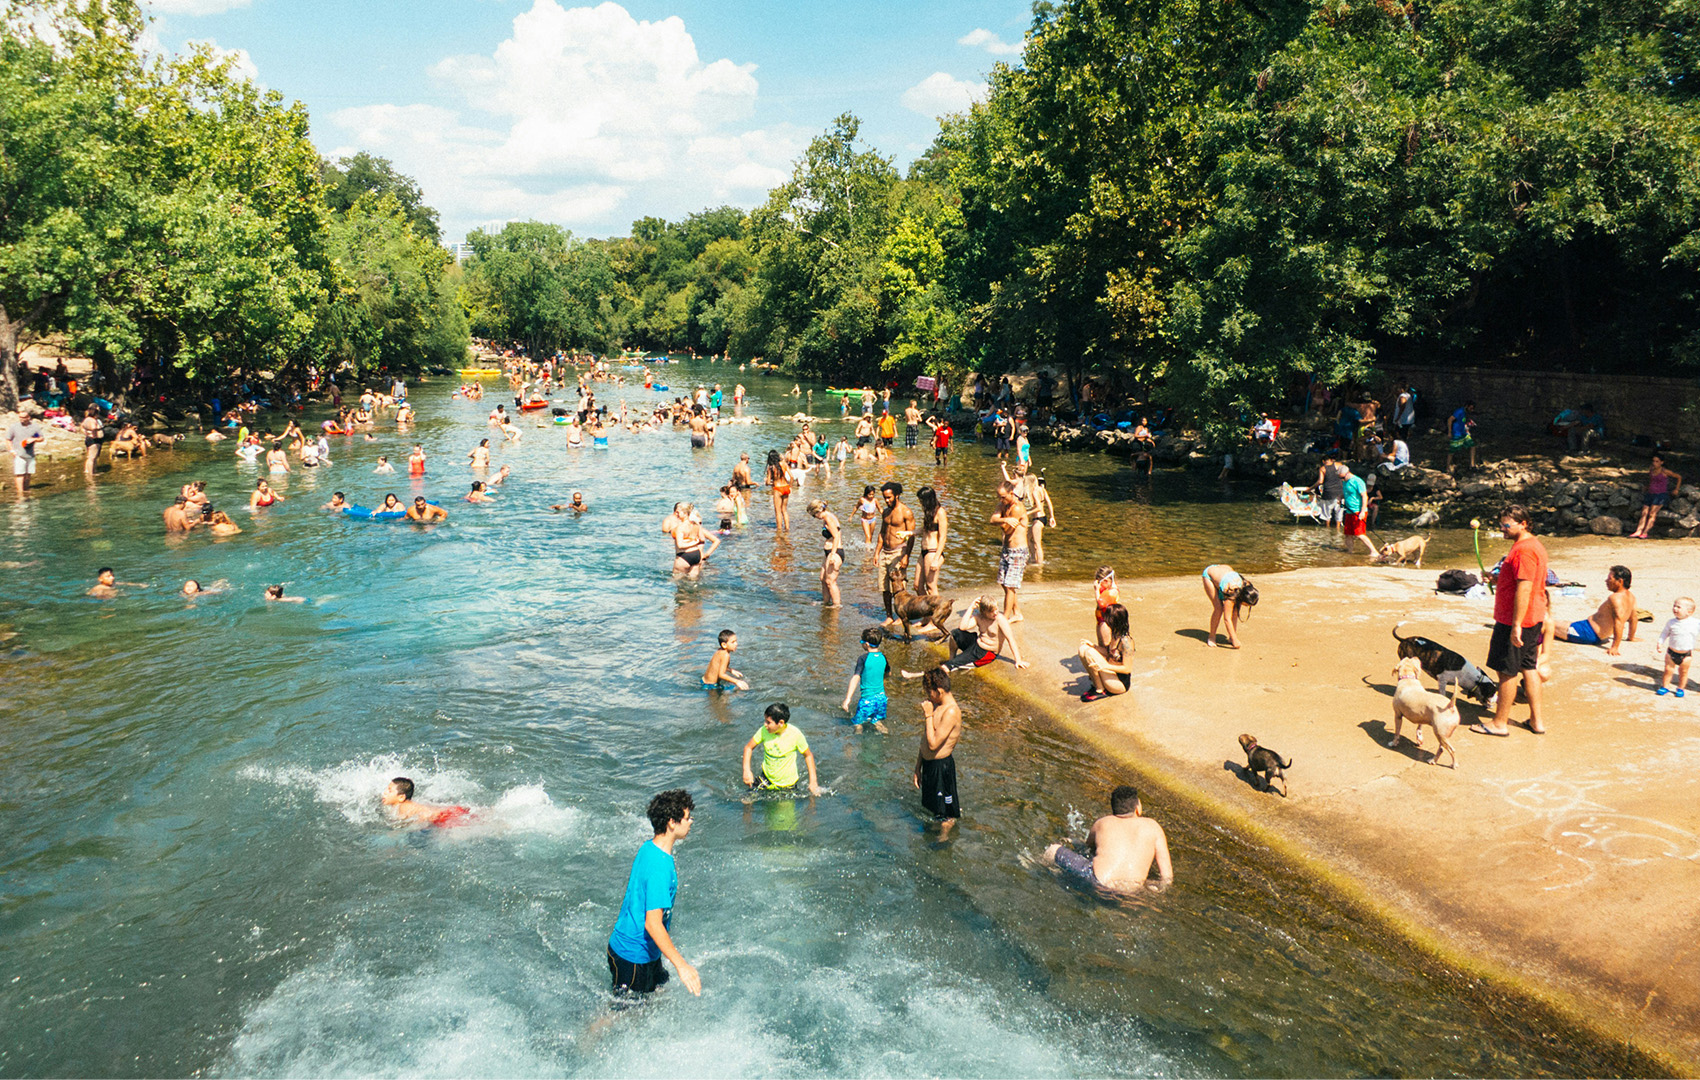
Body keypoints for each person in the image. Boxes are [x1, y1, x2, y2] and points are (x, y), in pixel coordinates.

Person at [607, 788, 701, 997]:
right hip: (633, 956)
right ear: (671, 822)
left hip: (640, 951)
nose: (691, 822)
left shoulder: (649, 848)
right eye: (687, 817)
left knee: (658, 994)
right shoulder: (660, 867)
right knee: (621, 1014)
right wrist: (682, 966)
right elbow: (652, 923)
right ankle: (589, 1031)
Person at [1473, 505, 1548, 736]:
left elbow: (1524, 589)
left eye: (1507, 525)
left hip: (1517, 620)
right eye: (1501, 525)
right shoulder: (1531, 545)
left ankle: (1499, 723)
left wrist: (1515, 625)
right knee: (1529, 668)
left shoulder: (1524, 550)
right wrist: (1497, 579)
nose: (1502, 529)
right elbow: (1522, 581)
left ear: (1523, 523)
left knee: (1507, 672)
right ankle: (1536, 721)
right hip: (1532, 617)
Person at [1043, 786, 1173, 891]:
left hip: (1098, 883)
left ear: (1114, 810)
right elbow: (1167, 877)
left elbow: (1088, 850)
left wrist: (1074, 842)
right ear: (1138, 809)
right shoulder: (1154, 827)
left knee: (1053, 850)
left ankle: (1035, 867)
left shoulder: (1102, 823)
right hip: (1131, 892)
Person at [905, 596, 1029, 676]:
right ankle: (952, 658)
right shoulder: (979, 617)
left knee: (949, 666)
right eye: (992, 611)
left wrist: (1018, 660)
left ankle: (918, 674)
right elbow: (962, 627)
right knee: (955, 634)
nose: (996, 613)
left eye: (996, 609)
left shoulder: (1000, 620)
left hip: (986, 653)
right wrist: (970, 607)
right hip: (976, 643)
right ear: (984, 611)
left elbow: (1010, 639)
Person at [913, 667, 962, 834]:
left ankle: (944, 841)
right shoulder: (936, 705)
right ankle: (932, 836)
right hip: (929, 766)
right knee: (932, 809)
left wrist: (928, 715)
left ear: (939, 691)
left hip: (942, 768)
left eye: (929, 692)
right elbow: (925, 739)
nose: (928, 697)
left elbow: (934, 745)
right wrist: (918, 767)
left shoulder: (951, 711)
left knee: (946, 815)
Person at [741, 703, 823, 795]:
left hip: (787, 784)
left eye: (768, 722)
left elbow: (808, 756)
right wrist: (746, 770)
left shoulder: (795, 735)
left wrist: (813, 782)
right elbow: (748, 747)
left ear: (780, 723)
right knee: (747, 799)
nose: (765, 725)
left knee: (784, 809)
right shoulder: (764, 731)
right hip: (766, 778)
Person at [1554, 565, 1636, 656]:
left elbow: (1619, 622)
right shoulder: (1631, 597)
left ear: (1620, 581)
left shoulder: (1615, 598)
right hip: (1588, 628)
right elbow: (1633, 618)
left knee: (1548, 624)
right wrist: (1631, 637)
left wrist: (1615, 647)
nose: (1606, 581)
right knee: (1559, 623)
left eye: (1610, 578)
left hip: (1588, 633)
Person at [877, 483, 917, 623]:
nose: (887, 500)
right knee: (885, 587)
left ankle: (902, 616)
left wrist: (906, 556)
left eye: (889, 497)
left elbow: (910, 536)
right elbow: (882, 533)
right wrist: (877, 553)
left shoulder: (906, 512)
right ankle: (889, 616)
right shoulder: (886, 512)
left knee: (899, 588)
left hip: (898, 552)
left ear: (896, 495)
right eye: (884, 498)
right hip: (885, 552)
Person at [1078, 603, 1135, 701]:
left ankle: (1100, 690)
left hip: (1119, 684)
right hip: (1110, 675)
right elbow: (1109, 653)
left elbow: (1127, 669)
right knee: (1083, 648)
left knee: (1090, 653)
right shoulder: (1115, 634)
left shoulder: (1126, 642)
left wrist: (1104, 666)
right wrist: (1094, 646)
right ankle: (1097, 685)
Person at [990, 482, 1030, 621]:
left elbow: (1007, 530)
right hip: (1007, 549)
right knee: (1003, 582)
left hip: (1018, 551)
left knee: (1010, 585)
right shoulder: (1003, 505)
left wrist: (1001, 520)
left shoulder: (1017, 508)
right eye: (999, 497)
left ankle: (1005, 618)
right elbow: (992, 520)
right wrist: (1005, 518)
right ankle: (1017, 612)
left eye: (1003, 497)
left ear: (1011, 494)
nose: (1001, 500)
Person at [842, 628, 890, 733]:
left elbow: (855, 678)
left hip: (868, 700)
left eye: (861, 642)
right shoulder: (883, 658)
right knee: (877, 722)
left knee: (858, 724)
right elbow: (888, 673)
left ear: (866, 644)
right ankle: (886, 735)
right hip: (882, 699)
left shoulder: (863, 659)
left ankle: (854, 746)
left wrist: (848, 699)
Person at [1201, 564, 1258, 649]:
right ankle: (1212, 636)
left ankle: (1231, 636)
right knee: (1219, 608)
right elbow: (1227, 619)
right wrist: (1235, 641)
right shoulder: (1232, 595)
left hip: (1225, 573)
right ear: (1242, 598)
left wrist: (1233, 637)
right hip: (1210, 574)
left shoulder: (1247, 586)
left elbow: (1234, 615)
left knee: (1235, 611)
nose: (1246, 607)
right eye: (1246, 605)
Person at [381, 777, 471, 829]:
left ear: (401, 797)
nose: (384, 793)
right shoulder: (407, 804)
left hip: (443, 817)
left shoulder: (403, 807)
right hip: (447, 812)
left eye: (389, 791)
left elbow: (425, 815)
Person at [1629, 453, 1682, 539]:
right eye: (1653, 461)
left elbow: (1678, 477)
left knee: (1652, 513)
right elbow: (1651, 480)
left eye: (1657, 461)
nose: (1654, 463)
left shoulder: (1665, 471)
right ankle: (1638, 530)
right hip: (1650, 494)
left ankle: (1645, 532)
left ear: (1661, 462)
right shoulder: (1651, 470)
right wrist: (1647, 487)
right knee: (1644, 512)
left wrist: (1676, 489)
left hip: (1660, 495)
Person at [1656, 597, 1697, 697]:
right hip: (1671, 653)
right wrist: (1660, 642)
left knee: (1683, 672)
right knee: (1668, 670)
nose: (1675, 609)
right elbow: (1665, 633)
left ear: (1689, 612)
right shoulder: (1671, 622)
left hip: (1686, 655)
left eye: (1678, 607)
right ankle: (1665, 686)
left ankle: (1680, 688)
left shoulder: (1695, 623)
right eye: (1674, 606)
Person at [807, 500, 844, 608]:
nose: (815, 517)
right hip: (828, 552)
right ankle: (826, 602)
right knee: (823, 578)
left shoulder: (828, 518)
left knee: (830, 581)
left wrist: (832, 554)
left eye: (814, 515)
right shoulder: (826, 517)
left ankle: (836, 605)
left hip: (835, 552)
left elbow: (836, 536)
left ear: (817, 511)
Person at [914, 486, 948, 596]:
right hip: (924, 552)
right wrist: (909, 533)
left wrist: (936, 559)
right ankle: (926, 610)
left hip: (933, 552)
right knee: (917, 586)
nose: (921, 503)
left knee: (931, 587)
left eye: (922, 501)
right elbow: (925, 529)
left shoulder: (940, 512)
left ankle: (938, 612)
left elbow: (943, 537)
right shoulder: (929, 512)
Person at [671, 502, 717, 577]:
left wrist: (694, 542)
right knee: (694, 582)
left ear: (685, 513)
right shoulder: (696, 525)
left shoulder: (680, 527)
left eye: (678, 512)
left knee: (678, 582)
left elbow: (680, 545)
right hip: (696, 555)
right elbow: (702, 539)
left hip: (683, 555)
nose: (677, 514)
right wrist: (696, 542)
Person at [1340, 467, 1377, 557]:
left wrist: (1362, 511)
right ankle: (1349, 552)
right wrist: (1340, 497)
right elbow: (1346, 493)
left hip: (1358, 511)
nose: (1342, 480)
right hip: (1349, 511)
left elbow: (1365, 496)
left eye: (1342, 478)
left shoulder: (1357, 481)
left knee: (1359, 534)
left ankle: (1374, 551)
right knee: (1348, 534)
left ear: (1347, 473)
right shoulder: (1345, 481)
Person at [1311, 454, 1347, 531]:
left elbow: (1320, 481)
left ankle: (1327, 529)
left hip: (1328, 493)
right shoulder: (1339, 465)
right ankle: (1338, 529)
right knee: (1339, 512)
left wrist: (1310, 488)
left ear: (1323, 461)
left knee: (1327, 513)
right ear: (1331, 460)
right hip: (1340, 492)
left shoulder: (1323, 469)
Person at [1446, 402, 1477, 474]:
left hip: (1464, 434)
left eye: (1472, 409)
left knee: (1473, 446)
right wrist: (1449, 432)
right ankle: (1447, 468)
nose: (1471, 410)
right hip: (1457, 434)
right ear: (1467, 406)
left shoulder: (1466, 413)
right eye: (1470, 408)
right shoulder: (1459, 411)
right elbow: (1449, 420)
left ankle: (1472, 465)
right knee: (1452, 452)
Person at [766, 450, 792, 531]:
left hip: (778, 488)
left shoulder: (770, 468)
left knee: (778, 511)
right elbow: (791, 477)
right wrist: (790, 486)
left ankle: (779, 530)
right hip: (786, 487)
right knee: (784, 510)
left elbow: (767, 482)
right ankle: (787, 528)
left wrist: (770, 483)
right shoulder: (784, 464)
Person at [79, 406, 104, 477]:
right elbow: (93, 428)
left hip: (89, 439)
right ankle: (91, 474)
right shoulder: (92, 420)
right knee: (92, 457)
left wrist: (87, 433)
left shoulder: (86, 419)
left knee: (90, 457)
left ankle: (87, 471)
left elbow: (82, 428)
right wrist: (97, 429)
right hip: (94, 440)